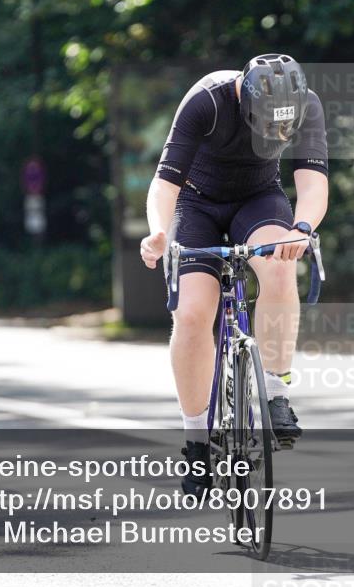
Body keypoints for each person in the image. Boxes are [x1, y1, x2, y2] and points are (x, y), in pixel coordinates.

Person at [139, 54, 328, 497]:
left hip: (259, 199)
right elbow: (165, 183)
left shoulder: (307, 103)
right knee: (192, 314)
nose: (273, 133)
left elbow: (313, 182)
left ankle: (276, 392)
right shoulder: (207, 100)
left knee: (280, 267)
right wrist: (159, 232)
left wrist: (302, 228)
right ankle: (196, 440)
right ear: (246, 101)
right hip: (196, 204)